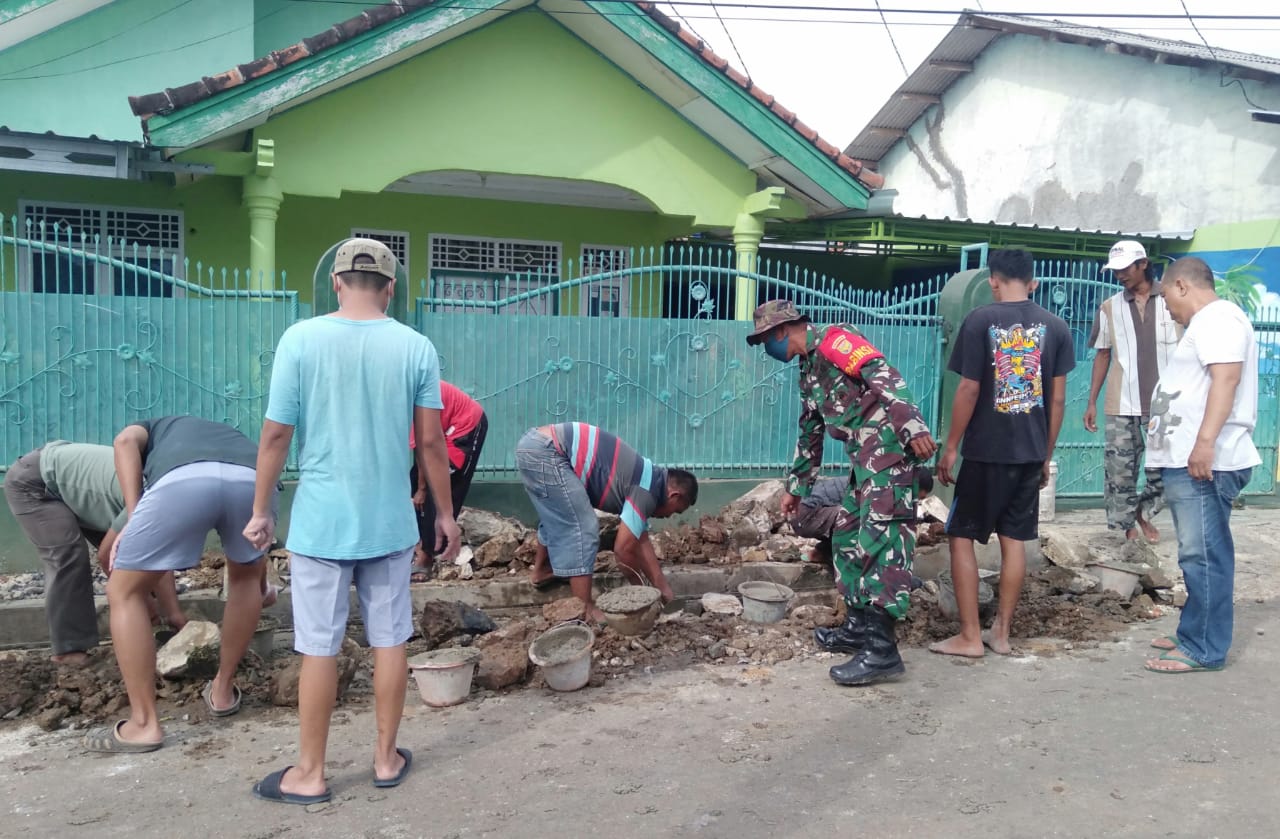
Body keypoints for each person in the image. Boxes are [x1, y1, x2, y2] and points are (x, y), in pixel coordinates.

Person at [243, 238, 460, 805]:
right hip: (388, 523)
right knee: (391, 640)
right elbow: (432, 442)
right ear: (390, 289)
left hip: (321, 523)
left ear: (336, 283)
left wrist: (262, 508)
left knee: (320, 647)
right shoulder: (416, 347)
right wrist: (444, 513)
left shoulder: (300, 339)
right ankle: (386, 759)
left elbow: (275, 435)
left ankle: (310, 773)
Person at [748, 300, 937, 686]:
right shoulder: (808, 371)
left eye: (766, 339)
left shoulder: (836, 340)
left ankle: (883, 650)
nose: (767, 349)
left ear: (781, 330)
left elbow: (882, 373)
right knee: (848, 536)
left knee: (883, 544)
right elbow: (810, 432)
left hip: (888, 453)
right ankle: (856, 628)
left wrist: (913, 426)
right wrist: (797, 489)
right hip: (865, 463)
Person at [83, 416, 278, 753]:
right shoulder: (227, 433)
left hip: (183, 483)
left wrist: (135, 514)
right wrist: (262, 587)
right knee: (245, 578)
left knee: (124, 591)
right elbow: (254, 566)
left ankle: (143, 724)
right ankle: (222, 692)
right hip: (252, 481)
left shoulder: (148, 426)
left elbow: (124, 443)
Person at [931, 248, 1074, 658]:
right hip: (1029, 452)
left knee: (961, 537)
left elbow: (969, 388)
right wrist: (1045, 455)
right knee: (1015, 541)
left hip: (986, 451)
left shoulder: (980, 321)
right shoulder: (1057, 327)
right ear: (1033, 281)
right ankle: (1002, 634)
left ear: (993, 280)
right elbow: (1058, 401)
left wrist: (951, 445)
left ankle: (970, 637)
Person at [1142, 257, 1260, 674]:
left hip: (1207, 461)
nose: (1166, 307)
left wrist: (1205, 442)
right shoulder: (1208, 322)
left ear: (1181, 286)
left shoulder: (1218, 318)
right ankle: (1194, 632)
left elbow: (1226, 378)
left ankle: (1204, 648)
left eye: (1166, 297)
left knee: (1204, 555)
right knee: (1196, 554)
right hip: (1192, 459)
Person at [4, 442, 184, 666]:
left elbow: (155, 556)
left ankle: (152, 622)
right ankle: (67, 650)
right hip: (35, 482)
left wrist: (173, 613)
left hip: (81, 488)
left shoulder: (167, 495)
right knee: (69, 556)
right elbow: (108, 557)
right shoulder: (147, 502)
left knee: (140, 562)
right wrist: (144, 599)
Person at [516, 422, 698, 624]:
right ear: (674, 496)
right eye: (676, 511)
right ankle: (586, 609)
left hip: (535, 444)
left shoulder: (648, 478)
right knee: (582, 527)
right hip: (548, 451)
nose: (670, 516)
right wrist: (645, 594)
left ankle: (541, 572)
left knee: (560, 514)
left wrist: (663, 589)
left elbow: (640, 540)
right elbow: (623, 552)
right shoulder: (647, 491)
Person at [1084, 240, 1180, 543]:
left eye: (1125, 268)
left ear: (1143, 264)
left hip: (1167, 403)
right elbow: (1102, 355)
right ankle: (1124, 528)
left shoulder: (1172, 299)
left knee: (1166, 471)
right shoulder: (1109, 307)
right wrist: (1091, 402)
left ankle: (1143, 513)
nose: (1119, 275)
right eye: (1115, 270)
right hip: (1121, 400)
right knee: (1119, 471)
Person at [409, 380, 488, 581]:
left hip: (466, 426)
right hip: (443, 429)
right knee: (413, 479)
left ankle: (428, 555)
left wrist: (422, 489)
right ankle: (418, 544)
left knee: (440, 484)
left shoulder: (410, 398)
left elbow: (424, 449)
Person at [789, 467, 934, 567]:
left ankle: (822, 552)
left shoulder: (887, 485)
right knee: (859, 519)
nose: (913, 503)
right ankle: (845, 568)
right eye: (915, 497)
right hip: (805, 514)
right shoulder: (880, 488)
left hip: (814, 513)